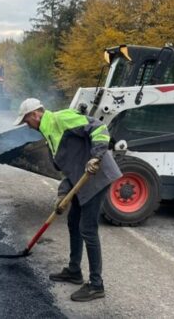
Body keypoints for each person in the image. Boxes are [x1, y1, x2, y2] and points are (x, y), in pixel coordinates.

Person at [14, 98, 122, 302]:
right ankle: (74, 271)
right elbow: (68, 169)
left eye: (26, 121)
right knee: (73, 222)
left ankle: (96, 285)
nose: (27, 125)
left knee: (87, 228)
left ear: (35, 114)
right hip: (81, 181)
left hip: (97, 177)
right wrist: (62, 194)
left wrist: (96, 156)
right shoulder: (49, 135)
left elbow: (99, 127)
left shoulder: (60, 119)